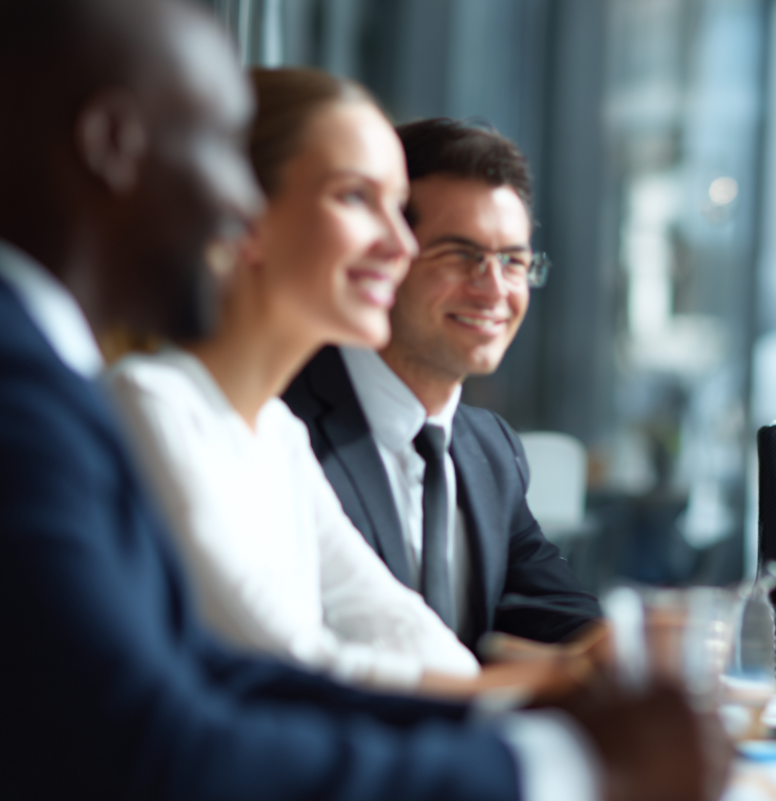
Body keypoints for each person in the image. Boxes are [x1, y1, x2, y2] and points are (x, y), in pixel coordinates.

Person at [0, 0, 721, 799]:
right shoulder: (73, 393)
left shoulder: (258, 426)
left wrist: (548, 712)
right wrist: (561, 759)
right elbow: (192, 717)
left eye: (515, 259)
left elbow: (251, 673)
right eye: (354, 197)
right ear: (112, 144)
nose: (238, 207)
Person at [103, 67, 492, 697]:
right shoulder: (150, 407)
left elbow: (390, 621)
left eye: (398, 208)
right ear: (242, 216)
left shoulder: (276, 432)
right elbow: (285, 663)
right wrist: (535, 702)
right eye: (356, 198)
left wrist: (530, 696)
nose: (400, 245)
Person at [283, 118, 601, 654]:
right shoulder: (282, 423)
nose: (493, 289)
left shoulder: (491, 451)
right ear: (385, 256)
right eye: (461, 255)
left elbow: (566, 624)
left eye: (513, 261)